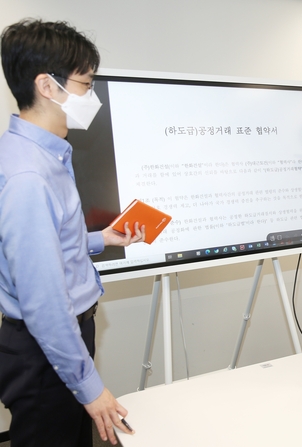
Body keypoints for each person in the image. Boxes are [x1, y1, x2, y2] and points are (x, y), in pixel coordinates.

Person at [0, 19, 145, 446]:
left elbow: (45, 247)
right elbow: (43, 300)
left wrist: (102, 239)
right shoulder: (29, 176)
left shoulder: (40, 155)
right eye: (86, 83)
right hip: (44, 348)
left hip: (59, 340)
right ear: (47, 85)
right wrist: (90, 387)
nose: (92, 96)